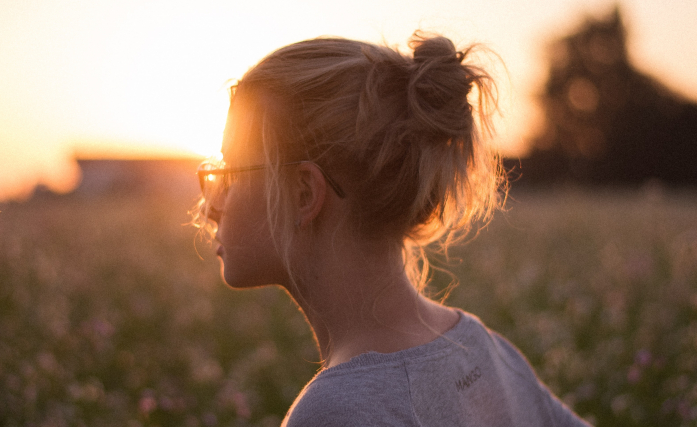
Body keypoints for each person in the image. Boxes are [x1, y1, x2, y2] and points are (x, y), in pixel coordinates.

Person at [193, 32, 590, 426]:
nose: (210, 206)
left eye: (229, 174)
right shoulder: (479, 346)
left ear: (303, 194)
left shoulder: (336, 413)